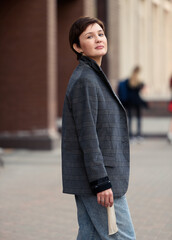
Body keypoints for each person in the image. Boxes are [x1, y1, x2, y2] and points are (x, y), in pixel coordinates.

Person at [61, 17, 136, 240]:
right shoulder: (86, 79)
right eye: (89, 36)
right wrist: (101, 182)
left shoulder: (93, 76)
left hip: (94, 180)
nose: (98, 39)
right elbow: (88, 137)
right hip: (100, 182)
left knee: (90, 236)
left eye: (100, 34)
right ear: (77, 46)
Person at [118, 67, 148, 140]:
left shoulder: (129, 80)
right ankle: (138, 134)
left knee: (130, 118)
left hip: (129, 101)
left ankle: (130, 135)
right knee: (138, 118)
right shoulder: (139, 81)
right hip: (137, 101)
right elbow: (144, 91)